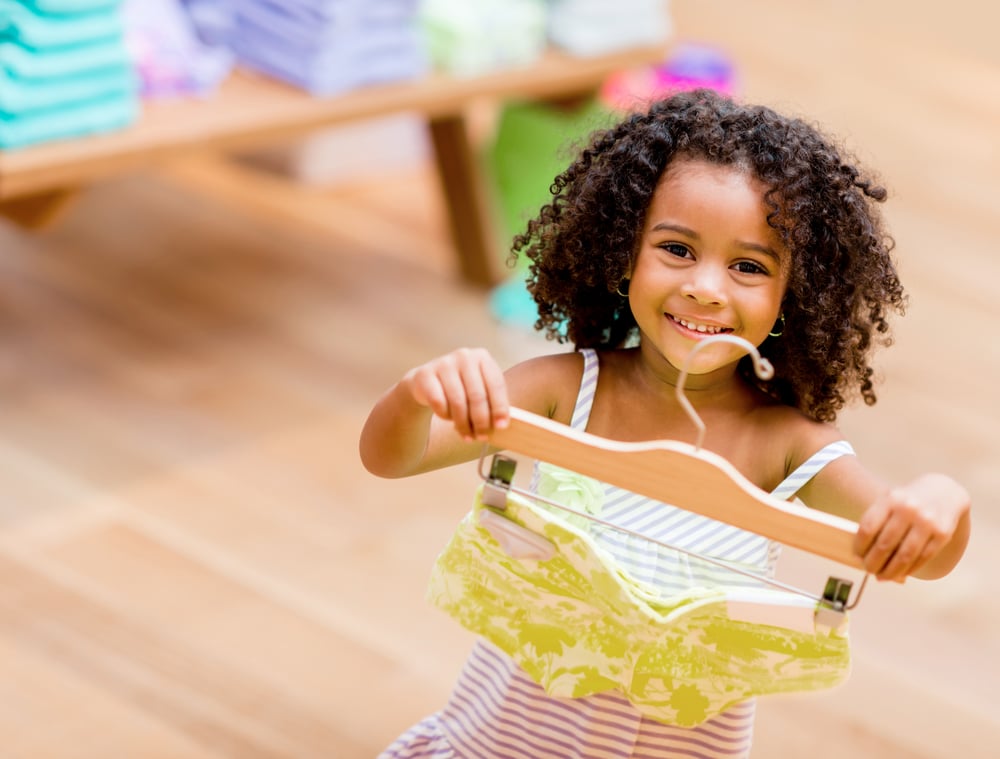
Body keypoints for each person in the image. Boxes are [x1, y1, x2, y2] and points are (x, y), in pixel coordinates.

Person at [359, 89, 971, 759]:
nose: (707, 287)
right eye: (678, 249)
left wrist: (942, 500)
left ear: (793, 293)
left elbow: (929, 555)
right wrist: (420, 394)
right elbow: (394, 456)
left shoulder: (787, 444)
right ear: (623, 253)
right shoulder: (565, 389)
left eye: (747, 266)